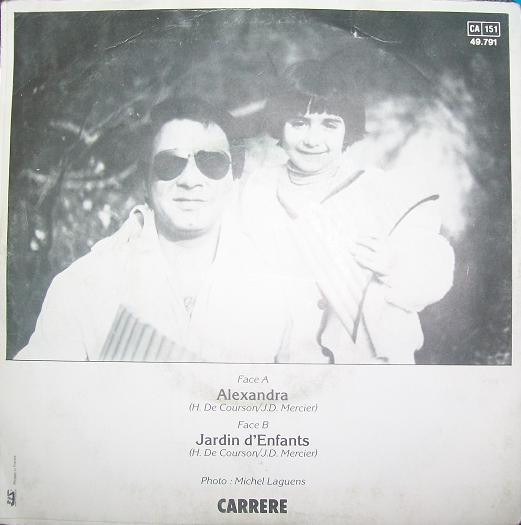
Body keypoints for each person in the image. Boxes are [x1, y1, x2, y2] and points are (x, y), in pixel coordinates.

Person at [17, 97, 291, 362]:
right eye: (170, 164)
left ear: (233, 177)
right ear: (145, 182)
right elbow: (36, 389)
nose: (190, 180)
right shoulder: (84, 285)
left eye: (212, 163)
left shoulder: (275, 286)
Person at [240, 59, 455, 364]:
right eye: (299, 123)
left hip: (372, 366)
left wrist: (394, 263)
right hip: (290, 364)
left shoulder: (382, 190)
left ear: (348, 129)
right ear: (278, 124)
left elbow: (435, 271)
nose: (313, 140)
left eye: (330, 124)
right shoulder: (255, 190)